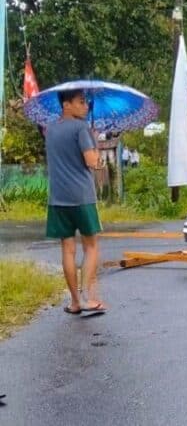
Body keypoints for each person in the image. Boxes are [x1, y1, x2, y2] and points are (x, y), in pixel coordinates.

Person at [45, 89, 107, 316]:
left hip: (58, 199)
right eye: (81, 102)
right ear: (66, 104)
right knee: (91, 246)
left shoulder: (50, 129)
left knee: (67, 249)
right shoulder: (81, 128)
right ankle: (87, 297)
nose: (86, 106)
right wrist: (95, 145)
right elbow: (91, 162)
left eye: (86, 102)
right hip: (82, 197)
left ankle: (74, 302)